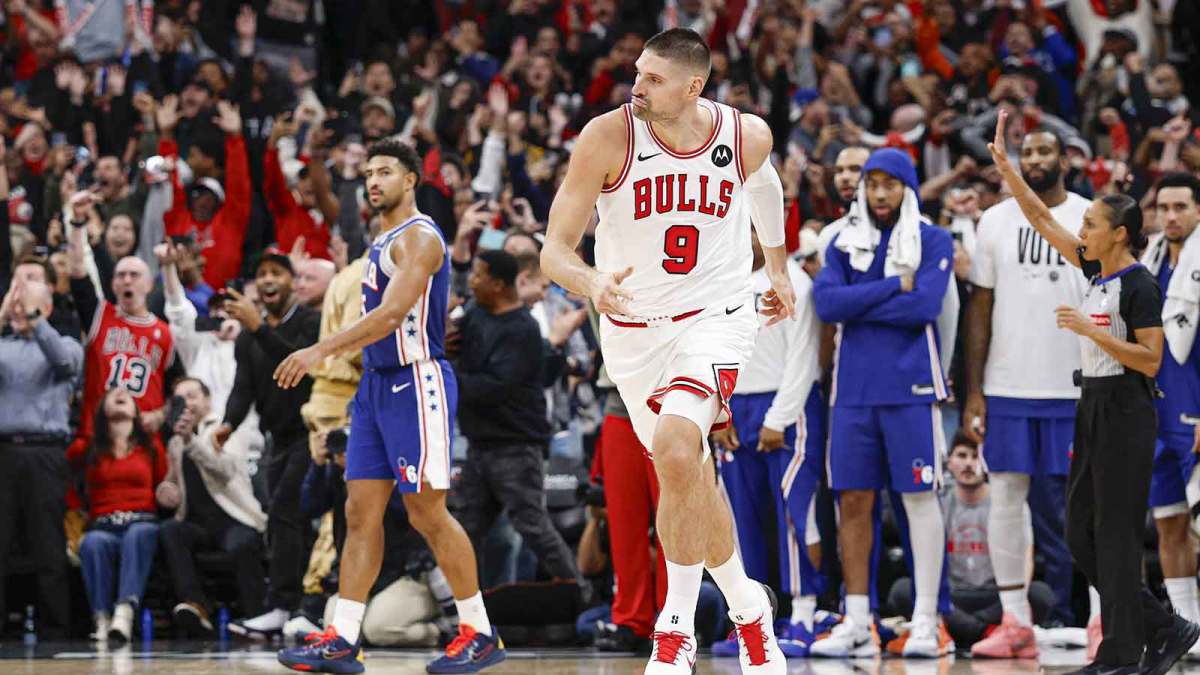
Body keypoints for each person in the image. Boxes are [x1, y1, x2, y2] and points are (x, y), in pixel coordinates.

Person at [541, 27, 794, 673]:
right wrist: (591, 280)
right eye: (637, 72)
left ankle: (673, 629)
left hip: (717, 314)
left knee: (680, 448)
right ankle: (747, 606)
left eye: (652, 78)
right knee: (691, 474)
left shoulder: (746, 135)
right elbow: (553, 249)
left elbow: (762, 186)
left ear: (693, 86)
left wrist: (778, 264)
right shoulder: (607, 136)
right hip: (632, 328)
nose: (637, 85)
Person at [273, 139, 504, 674]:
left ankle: (479, 630)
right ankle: (343, 637)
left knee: (427, 512)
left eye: (385, 172)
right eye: (368, 173)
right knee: (358, 513)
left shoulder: (420, 239)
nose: (373, 181)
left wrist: (320, 348)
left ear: (410, 180)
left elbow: (393, 314)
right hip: (375, 387)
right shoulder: (381, 239)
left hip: (414, 382)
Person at [989, 109, 1199, 675]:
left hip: (1129, 409)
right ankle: (1165, 626)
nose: (1080, 233)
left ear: (1119, 234)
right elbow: (1041, 220)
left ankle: (1122, 654)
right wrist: (1007, 168)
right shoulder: (1095, 271)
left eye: (1090, 227)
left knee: (1115, 536)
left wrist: (1088, 331)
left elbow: (1151, 361)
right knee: (1079, 531)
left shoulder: (1139, 286)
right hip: (1093, 406)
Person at [810, 148, 955, 658]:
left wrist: (863, 300)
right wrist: (894, 284)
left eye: (888, 184)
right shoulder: (842, 242)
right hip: (851, 393)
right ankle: (856, 621)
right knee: (853, 501)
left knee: (917, 500)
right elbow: (826, 304)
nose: (878, 194)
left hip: (911, 388)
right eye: (871, 184)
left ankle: (924, 619)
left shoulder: (934, 238)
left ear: (907, 188)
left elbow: (925, 307)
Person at [964, 127, 1092, 658]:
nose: (1036, 159)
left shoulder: (1090, 214)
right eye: (1028, 152)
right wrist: (973, 391)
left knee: (1088, 503)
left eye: (1045, 151)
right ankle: (1015, 620)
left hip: (1077, 382)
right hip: (1008, 383)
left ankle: (1104, 617)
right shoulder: (993, 221)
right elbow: (979, 310)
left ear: (1066, 158)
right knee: (1008, 499)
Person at [710, 233, 824, 658]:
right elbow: (711, 349)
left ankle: (804, 612)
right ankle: (751, 618)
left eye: (755, 226)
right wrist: (718, 410)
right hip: (734, 408)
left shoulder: (793, 279)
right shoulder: (718, 279)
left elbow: (805, 355)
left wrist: (779, 417)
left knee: (796, 512)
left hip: (787, 404)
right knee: (738, 519)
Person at [454, 249, 582, 587]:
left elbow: (496, 387)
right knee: (463, 528)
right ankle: (465, 608)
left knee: (532, 526)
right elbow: (451, 340)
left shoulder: (523, 329)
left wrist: (446, 376)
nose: (473, 280)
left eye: (479, 275)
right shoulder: (474, 313)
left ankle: (576, 593)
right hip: (479, 444)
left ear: (498, 284)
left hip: (516, 447)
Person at [219, 249, 321, 638]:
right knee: (282, 522)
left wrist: (259, 329)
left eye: (276, 272)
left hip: (311, 435)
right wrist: (228, 423)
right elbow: (242, 387)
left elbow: (301, 366)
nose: (266, 279)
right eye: (260, 272)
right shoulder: (248, 338)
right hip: (275, 439)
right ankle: (294, 605)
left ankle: (287, 605)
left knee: (284, 512)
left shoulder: (311, 323)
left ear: (293, 282)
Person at [886, 433, 1058, 648]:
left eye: (976, 456)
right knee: (902, 590)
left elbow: (1025, 559)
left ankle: (962, 630)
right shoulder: (936, 504)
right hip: (951, 595)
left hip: (996, 597)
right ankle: (986, 632)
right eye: (962, 455)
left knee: (1039, 594)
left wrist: (1011, 606)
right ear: (949, 461)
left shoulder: (1009, 504)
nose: (968, 463)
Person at [1139, 172, 1200, 659]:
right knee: (1169, 524)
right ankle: (1187, 627)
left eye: (1181, 207)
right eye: (1164, 207)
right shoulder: (1151, 260)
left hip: (1195, 412)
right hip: (1155, 412)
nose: (1171, 216)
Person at [0, 276, 81, 640]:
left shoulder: (65, 343)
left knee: (48, 544)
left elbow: (64, 363)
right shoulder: (3, 346)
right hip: (4, 451)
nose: (20, 312)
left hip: (45, 451)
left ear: (46, 309)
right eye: (17, 305)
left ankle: (56, 629)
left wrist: (35, 319)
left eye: (29, 306)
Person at [157, 377, 267, 637]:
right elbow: (172, 481)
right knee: (170, 530)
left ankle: (256, 617)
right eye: (181, 398)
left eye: (193, 395)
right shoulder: (175, 440)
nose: (188, 403)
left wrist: (191, 442)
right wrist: (165, 490)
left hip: (234, 518)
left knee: (242, 545)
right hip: (198, 523)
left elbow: (225, 470)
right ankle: (196, 605)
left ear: (207, 399)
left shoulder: (226, 428)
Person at [79, 387, 168, 643]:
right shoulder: (91, 449)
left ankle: (125, 612)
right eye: (111, 394)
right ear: (102, 410)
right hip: (104, 525)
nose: (120, 392)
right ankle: (102, 617)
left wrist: (168, 492)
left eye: (128, 396)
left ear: (137, 412)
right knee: (92, 543)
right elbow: (67, 475)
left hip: (141, 520)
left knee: (138, 535)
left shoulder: (150, 446)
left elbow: (164, 484)